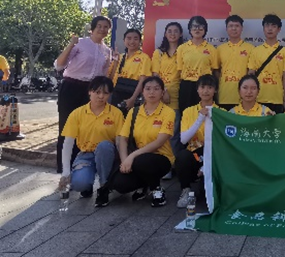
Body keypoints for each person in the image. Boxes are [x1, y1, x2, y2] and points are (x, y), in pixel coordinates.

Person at [54, 16, 113, 174]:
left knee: (84, 129)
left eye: (106, 27)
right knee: (66, 128)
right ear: (92, 28)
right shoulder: (80, 43)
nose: (102, 29)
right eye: (99, 26)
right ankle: (63, 170)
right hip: (71, 87)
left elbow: (104, 75)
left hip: (91, 92)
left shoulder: (107, 51)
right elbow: (59, 65)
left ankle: (78, 168)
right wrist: (70, 44)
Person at [58, 76, 124, 207]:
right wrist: (65, 171)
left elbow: (120, 141)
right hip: (86, 154)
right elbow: (68, 143)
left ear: (110, 94)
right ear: (90, 91)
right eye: (97, 92)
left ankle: (104, 186)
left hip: (107, 154)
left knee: (104, 146)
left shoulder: (116, 113)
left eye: (105, 93)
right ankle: (87, 185)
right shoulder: (77, 113)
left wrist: (124, 161)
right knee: (79, 184)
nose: (101, 96)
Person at [112, 76, 175, 207]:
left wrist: (132, 156)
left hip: (161, 158)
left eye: (156, 89)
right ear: (142, 92)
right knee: (120, 184)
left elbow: (159, 142)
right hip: (137, 159)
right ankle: (145, 184)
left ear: (162, 92)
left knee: (142, 161)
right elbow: (123, 138)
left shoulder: (168, 112)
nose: (152, 92)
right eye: (148, 89)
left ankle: (156, 189)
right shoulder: (134, 112)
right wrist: (124, 161)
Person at [175, 75, 220, 208]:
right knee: (182, 157)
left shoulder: (221, 112)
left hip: (214, 156)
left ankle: (204, 180)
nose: (206, 91)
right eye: (202, 87)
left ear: (215, 90)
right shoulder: (189, 111)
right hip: (195, 154)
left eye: (210, 87)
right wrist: (200, 118)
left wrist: (205, 165)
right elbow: (184, 139)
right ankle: (185, 189)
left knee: (204, 197)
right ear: (197, 89)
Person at [248, 14, 285, 114]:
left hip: (277, 98)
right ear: (263, 28)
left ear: (279, 29)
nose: (270, 29)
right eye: (267, 26)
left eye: (273, 26)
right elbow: (251, 74)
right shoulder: (256, 51)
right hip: (258, 97)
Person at [152, 22, 184, 155]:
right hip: (159, 96)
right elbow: (155, 75)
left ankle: (172, 161)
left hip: (177, 96)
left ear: (181, 34)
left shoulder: (184, 51)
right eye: (169, 31)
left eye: (176, 31)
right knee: (157, 130)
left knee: (174, 132)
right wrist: (163, 92)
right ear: (165, 34)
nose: (172, 34)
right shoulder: (159, 53)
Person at [177, 16, 219, 111]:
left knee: (205, 114)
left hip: (205, 86)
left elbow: (215, 70)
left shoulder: (212, 49)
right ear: (190, 29)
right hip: (187, 86)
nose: (197, 29)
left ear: (205, 29)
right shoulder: (182, 48)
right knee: (186, 113)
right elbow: (179, 70)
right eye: (194, 26)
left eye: (200, 27)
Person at [216, 15, 254, 110]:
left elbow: (251, 72)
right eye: (231, 26)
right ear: (226, 29)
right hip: (224, 95)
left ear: (242, 28)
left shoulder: (251, 49)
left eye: (237, 26)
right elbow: (216, 71)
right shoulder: (220, 49)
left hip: (244, 97)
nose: (234, 29)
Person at [110, 29, 152, 112]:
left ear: (140, 41)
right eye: (129, 38)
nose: (132, 41)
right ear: (124, 40)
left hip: (133, 94)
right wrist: (115, 62)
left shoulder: (144, 58)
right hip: (116, 93)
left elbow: (143, 80)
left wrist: (133, 99)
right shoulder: (120, 57)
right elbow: (112, 77)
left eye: (135, 39)